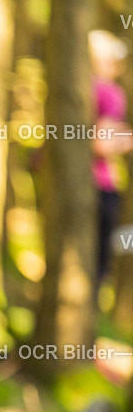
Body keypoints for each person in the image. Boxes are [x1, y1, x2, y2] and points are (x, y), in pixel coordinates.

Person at [89, 30, 133, 287]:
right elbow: (101, 142)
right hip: (102, 184)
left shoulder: (79, 87)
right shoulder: (110, 93)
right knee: (99, 264)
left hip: (69, 186)